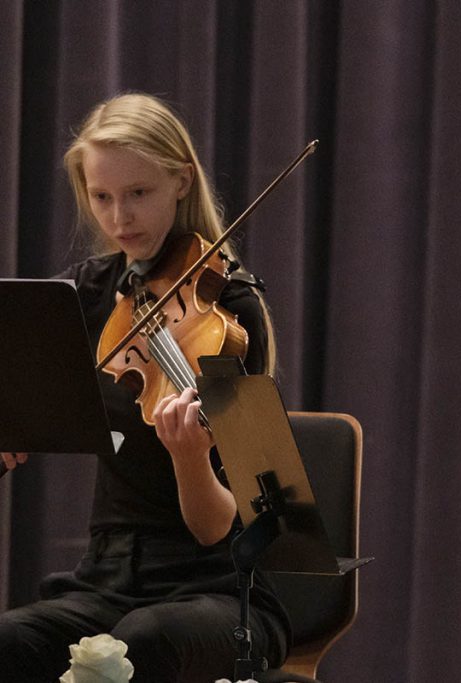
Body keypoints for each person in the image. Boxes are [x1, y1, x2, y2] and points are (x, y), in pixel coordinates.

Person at [0, 93, 289, 682]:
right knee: (9, 642)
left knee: (138, 644)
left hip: (216, 590)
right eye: (101, 197)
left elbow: (216, 529)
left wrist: (190, 458)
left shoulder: (230, 309)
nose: (118, 218)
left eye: (138, 194)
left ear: (181, 181)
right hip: (105, 581)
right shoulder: (84, 295)